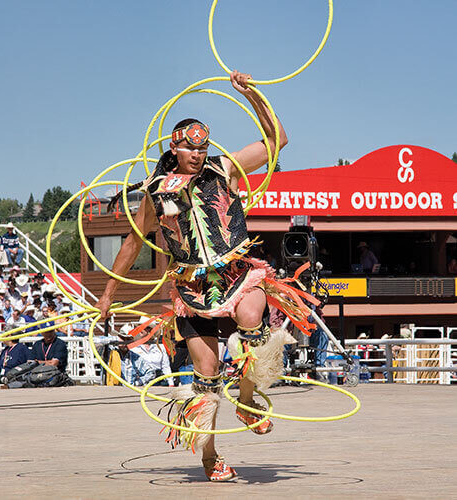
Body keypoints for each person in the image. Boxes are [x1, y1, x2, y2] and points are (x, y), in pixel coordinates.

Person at [95, 71, 315, 481]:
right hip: (192, 288)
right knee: (207, 379)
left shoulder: (224, 169)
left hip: (237, 273)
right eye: (189, 148)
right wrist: (108, 292)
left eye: (203, 147)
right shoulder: (155, 191)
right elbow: (132, 243)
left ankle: (248, 399)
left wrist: (251, 94)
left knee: (253, 324)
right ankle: (210, 456)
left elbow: (277, 140)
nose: (198, 154)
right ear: (174, 148)